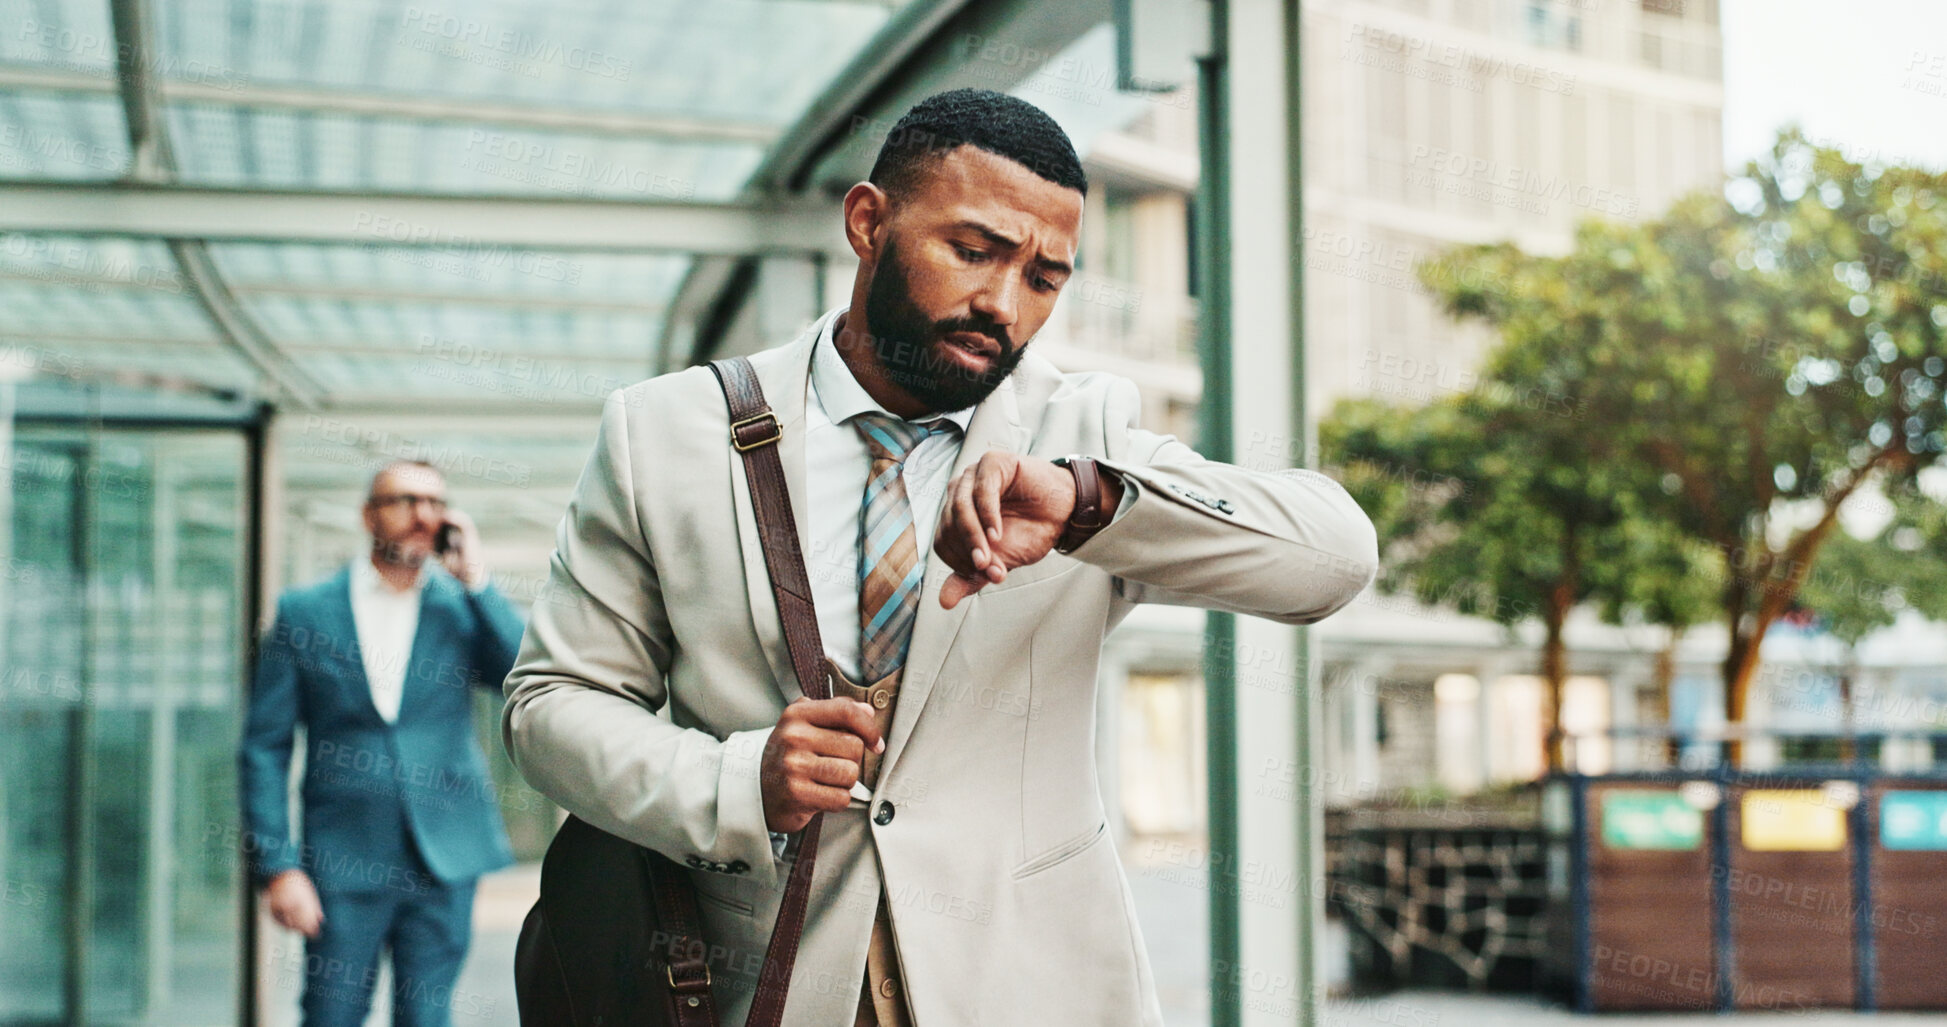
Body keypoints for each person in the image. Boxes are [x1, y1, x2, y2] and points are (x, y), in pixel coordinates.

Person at [502, 88, 1378, 1025]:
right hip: (764, 980)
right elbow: (551, 704)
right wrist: (735, 779)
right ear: (868, 221)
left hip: (1030, 988)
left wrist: (1088, 502)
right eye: (974, 251)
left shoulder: (1078, 430)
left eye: (1044, 277)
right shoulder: (666, 430)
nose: (1002, 304)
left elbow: (1331, 557)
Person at [239, 459, 523, 1026]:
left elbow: (523, 673)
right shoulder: (306, 610)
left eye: (434, 503)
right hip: (343, 860)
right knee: (330, 1014)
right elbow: (264, 747)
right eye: (404, 500)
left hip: (445, 858)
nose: (422, 515)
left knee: (426, 1016)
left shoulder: (461, 608)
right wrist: (278, 867)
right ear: (370, 514)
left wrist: (477, 582)